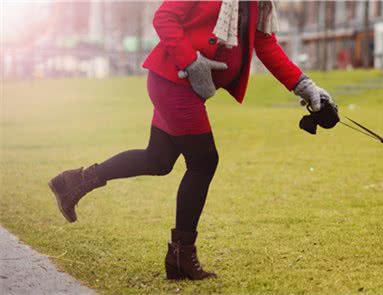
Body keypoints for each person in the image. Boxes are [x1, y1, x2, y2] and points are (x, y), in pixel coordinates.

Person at [48, 1, 332, 281]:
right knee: (204, 161)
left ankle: (74, 182)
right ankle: (181, 255)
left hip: (185, 86)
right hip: (175, 81)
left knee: (157, 160)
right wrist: (192, 61)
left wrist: (303, 85)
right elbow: (164, 17)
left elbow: (264, 43)